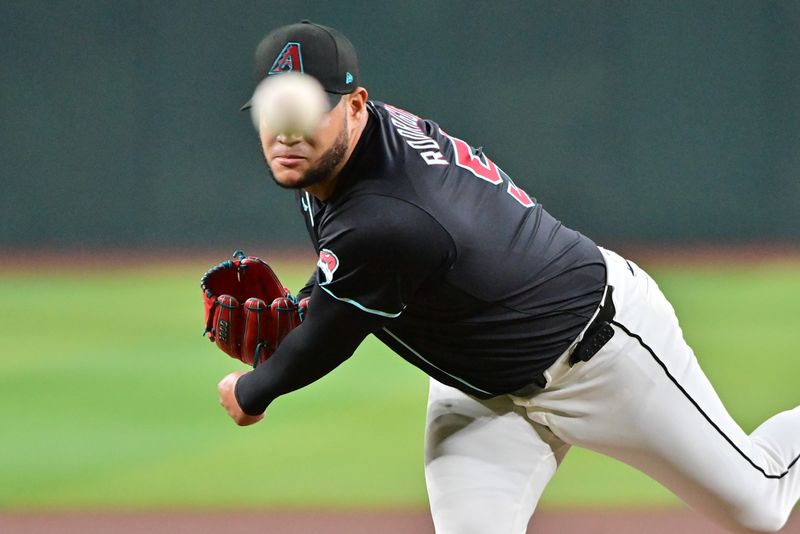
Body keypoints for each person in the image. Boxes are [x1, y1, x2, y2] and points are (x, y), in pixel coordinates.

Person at [217, 20, 799, 533]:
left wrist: (252, 391)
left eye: (303, 113)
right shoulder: (337, 158)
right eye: (275, 113)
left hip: (601, 353)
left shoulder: (391, 215)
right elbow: (349, 278)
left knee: (759, 506)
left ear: (355, 104)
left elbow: (330, 335)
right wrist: (313, 298)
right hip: (482, 387)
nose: (286, 135)